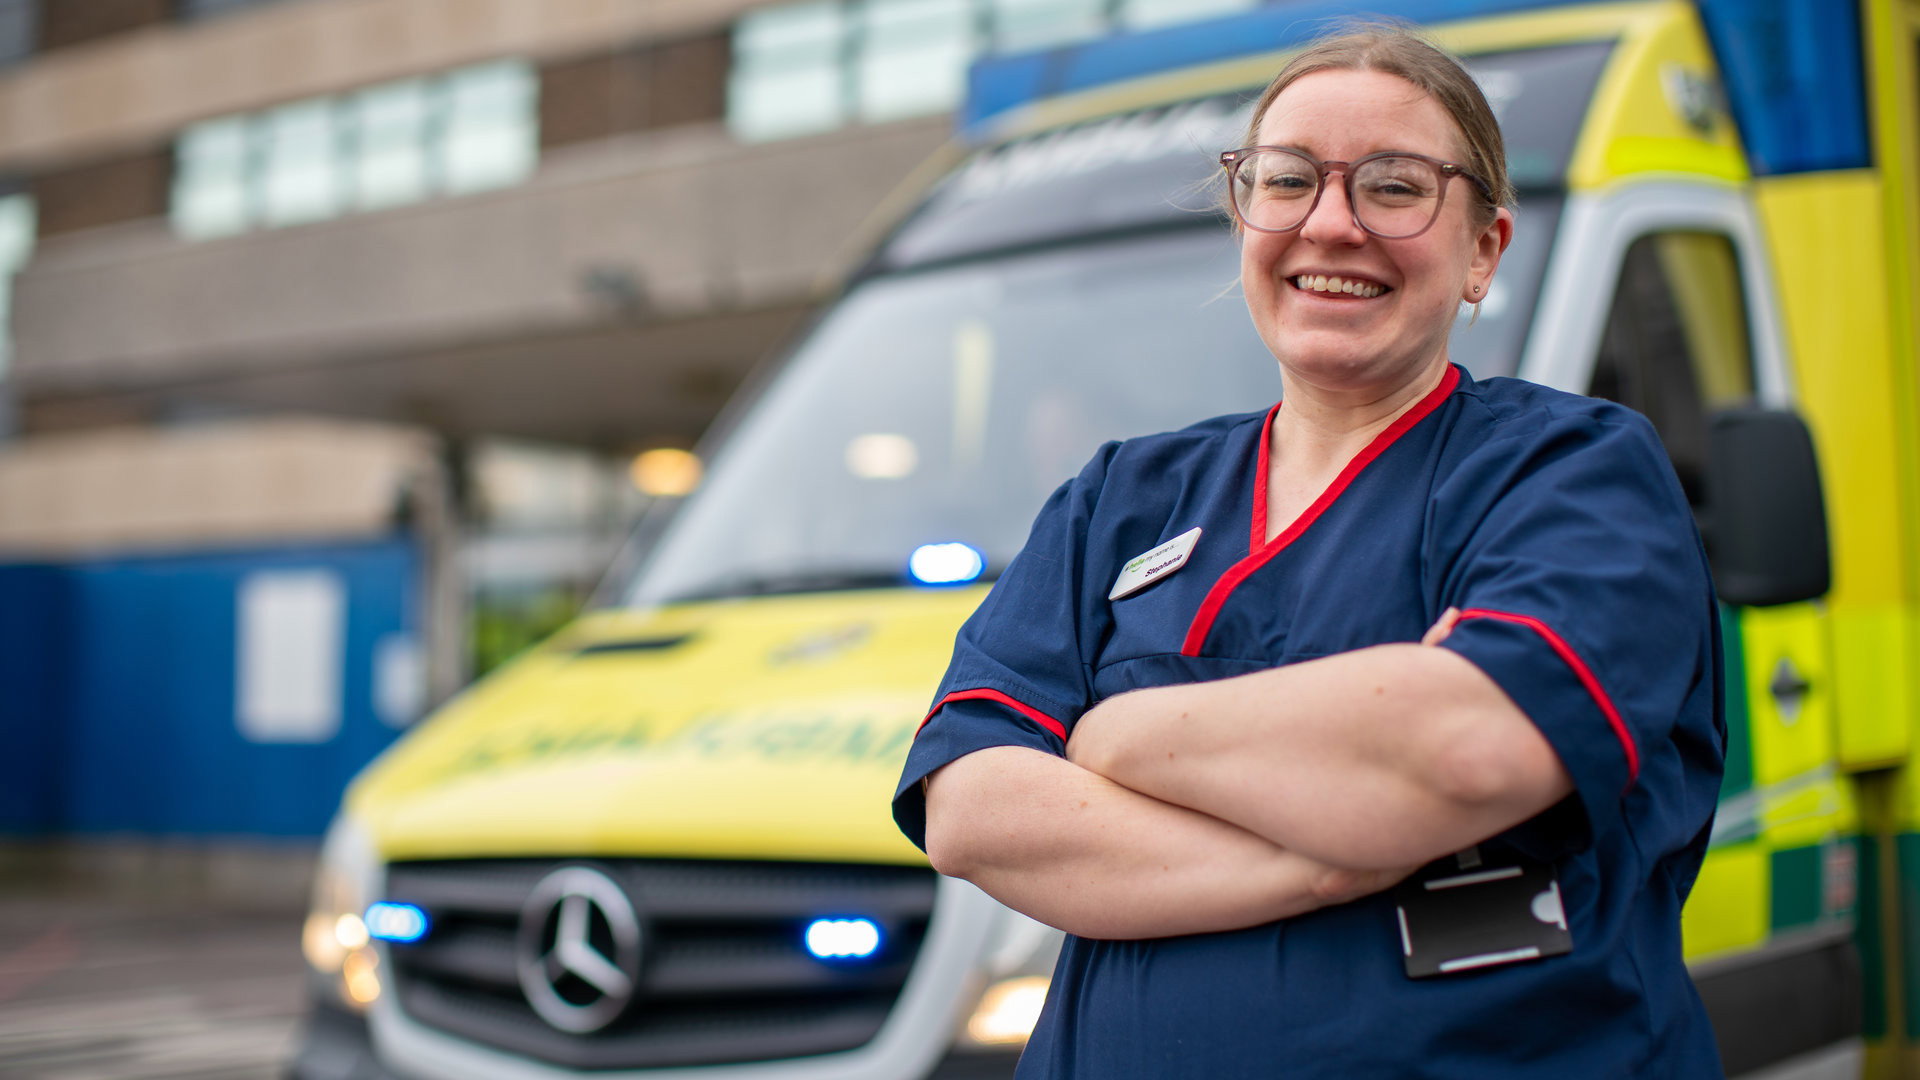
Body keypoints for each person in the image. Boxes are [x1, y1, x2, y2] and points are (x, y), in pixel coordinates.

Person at [891, 22, 1725, 1080]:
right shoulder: (1122, 502)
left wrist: (1114, 734)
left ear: (1483, 250)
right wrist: (1325, 863)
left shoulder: (1571, 471)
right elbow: (974, 813)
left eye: (1394, 188)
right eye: (1288, 181)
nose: (1331, 225)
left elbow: (1467, 748)